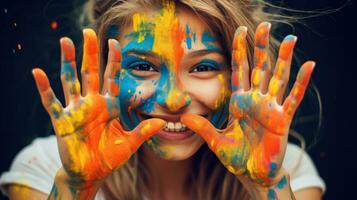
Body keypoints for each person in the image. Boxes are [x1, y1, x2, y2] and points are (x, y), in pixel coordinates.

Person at [0, 0, 326, 199]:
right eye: (143, 67)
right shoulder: (42, 169)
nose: (172, 99)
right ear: (103, 70)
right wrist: (75, 186)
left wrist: (265, 186)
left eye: (202, 67)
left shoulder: (289, 173)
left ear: (243, 72)